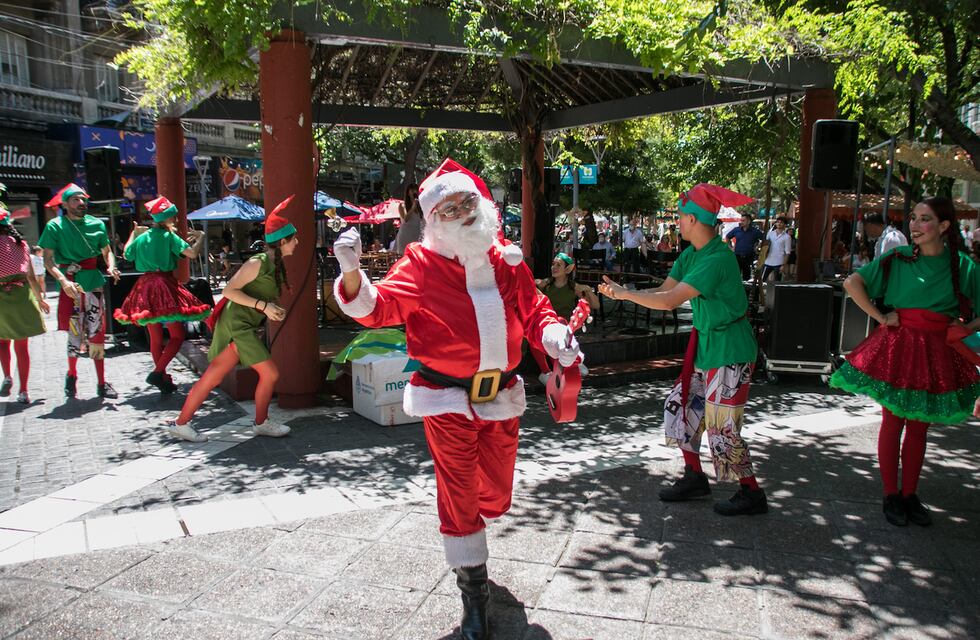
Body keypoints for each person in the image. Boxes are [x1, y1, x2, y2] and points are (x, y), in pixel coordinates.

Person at [333, 159, 580, 640]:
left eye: (467, 202)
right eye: (449, 208)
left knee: (496, 494)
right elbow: (377, 308)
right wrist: (351, 273)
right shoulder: (420, 264)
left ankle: (475, 537)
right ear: (433, 219)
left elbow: (535, 311)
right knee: (459, 490)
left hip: (501, 394)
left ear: (480, 203)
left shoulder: (506, 258)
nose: (463, 213)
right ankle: (474, 594)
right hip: (443, 398)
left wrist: (555, 337)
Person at [599, 183, 767, 516]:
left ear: (692, 219)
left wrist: (625, 295)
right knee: (679, 407)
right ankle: (694, 476)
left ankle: (751, 491)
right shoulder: (692, 254)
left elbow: (670, 301)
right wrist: (623, 290)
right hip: (707, 346)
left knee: (722, 427)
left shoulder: (717, 258)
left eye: (680, 216)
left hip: (730, 348)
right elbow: (664, 290)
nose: (677, 221)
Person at [829, 197, 980, 527]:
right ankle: (891, 494)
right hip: (900, 345)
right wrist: (881, 317)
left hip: (937, 349)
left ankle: (910, 494)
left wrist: (967, 328)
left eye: (924, 219)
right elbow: (852, 282)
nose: (914, 224)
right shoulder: (897, 258)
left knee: (919, 425)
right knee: (893, 421)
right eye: (913, 218)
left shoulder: (962, 265)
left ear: (944, 226)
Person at [165, 196, 298, 443]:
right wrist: (264, 306)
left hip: (241, 326)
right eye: (294, 238)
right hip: (236, 327)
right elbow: (228, 291)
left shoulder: (273, 264)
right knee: (269, 373)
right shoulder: (257, 262)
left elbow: (257, 295)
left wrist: (271, 308)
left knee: (214, 377)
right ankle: (260, 422)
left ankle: (181, 423)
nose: (297, 242)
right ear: (282, 241)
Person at [113, 196, 210, 393]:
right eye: (173, 217)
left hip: (144, 286)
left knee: (155, 338)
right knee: (177, 335)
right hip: (164, 286)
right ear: (166, 218)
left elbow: (127, 253)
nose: (175, 220)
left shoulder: (142, 237)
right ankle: (158, 372)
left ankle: (164, 379)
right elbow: (192, 254)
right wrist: (201, 237)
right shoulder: (169, 237)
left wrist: (133, 233)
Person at [38, 184, 120, 399]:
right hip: (71, 285)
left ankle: (101, 382)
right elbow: (48, 260)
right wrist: (63, 280)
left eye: (83, 199)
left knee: (97, 331)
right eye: (76, 199)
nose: (81, 203)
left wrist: (111, 266)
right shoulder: (54, 226)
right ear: (64, 204)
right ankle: (72, 375)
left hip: (93, 282)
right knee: (74, 333)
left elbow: (107, 251)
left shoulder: (97, 224)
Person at [0, 206, 49, 404]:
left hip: (1, 299)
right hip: (22, 297)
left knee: (2, 342)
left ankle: (7, 376)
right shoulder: (21, 244)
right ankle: (24, 391)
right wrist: (40, 299)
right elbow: (31, 277)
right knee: (22, 346)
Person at [533, 253, 599, 383]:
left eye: (558, 265)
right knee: (535, 331)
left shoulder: (573, 287)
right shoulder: (545, 284)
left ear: (567, 269)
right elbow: (530, 284)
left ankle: (574, 362)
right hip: (546, 323)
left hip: (564, 326)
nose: (554, 267)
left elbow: (596, 305)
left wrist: (588, 291)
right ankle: (546, 372)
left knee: (561, 322)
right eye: (553, 264)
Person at [725, 212, 764, 281]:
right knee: (735, 275)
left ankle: (746, 287)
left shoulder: (755, 231)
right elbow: (727, 237)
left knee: (746, 277)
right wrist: (730, 247)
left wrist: (758, 247)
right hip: (737, 256)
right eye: (741, 220)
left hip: (749, 257)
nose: (741, 222)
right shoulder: (737, 230)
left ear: (748, 221)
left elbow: (764, 239)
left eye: (743, 220)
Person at [761, 216, 791, 282]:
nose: (779, 224)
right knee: (761, 280)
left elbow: (787, 252)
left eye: (781, 222)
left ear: (785, 225)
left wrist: (783, 265)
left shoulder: (787, 237)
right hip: (768, 261)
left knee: (777, 282)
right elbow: (765, 247)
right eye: (778, 222)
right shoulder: (770, 234)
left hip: (779, 262)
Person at [396, 182, 422, 255]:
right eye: (412, 190)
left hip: (417, 236)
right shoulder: (402, 205)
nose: (415, 192)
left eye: (416, 190)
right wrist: (413, 207)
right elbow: (405, 219)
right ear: (408, 193)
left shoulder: (420, 206)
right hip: (406, 236)